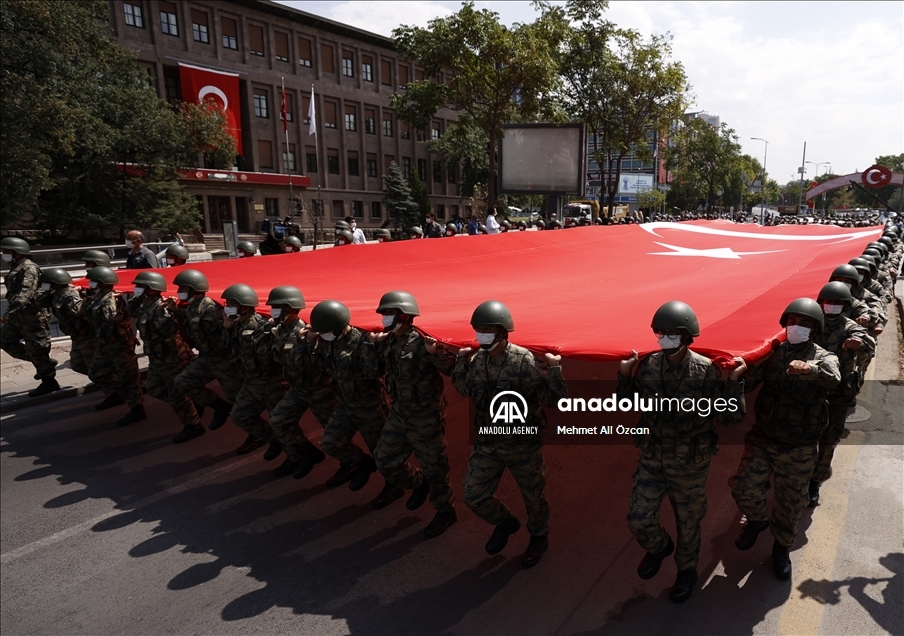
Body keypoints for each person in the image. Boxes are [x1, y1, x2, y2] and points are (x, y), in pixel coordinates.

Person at [618, 301, 747, 603]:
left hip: (690, 464)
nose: (664, 338)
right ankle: (659, 546)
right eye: (660, 333)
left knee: (688, 525)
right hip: (652, 460)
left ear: (687, 336)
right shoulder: (648, 366)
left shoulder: (705, 372)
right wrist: (625, 375)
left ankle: (686, 571)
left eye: (671, 333)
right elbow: (628, 405)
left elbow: (730, 418)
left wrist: (734, 387)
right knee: (639, 518)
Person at [729, 298, 840, 581]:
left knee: (790, 503)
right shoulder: (773, 354)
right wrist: (737, 375)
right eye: (792, 322)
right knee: (743, 487)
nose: (797, 327)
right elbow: (750, 380)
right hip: (764, 438)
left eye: (804, 323)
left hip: (799, 446)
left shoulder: (824, 356)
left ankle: (781, 548)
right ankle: (756, 521)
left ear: (815, 329)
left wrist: (810, 370)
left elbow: (833, 376)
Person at [452, 300, 567, 568]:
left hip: (522, 444)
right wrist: (459, 361)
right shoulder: (477, 361)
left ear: (503, 332)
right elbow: (463, 389)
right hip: (488, 442)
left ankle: (539, 536)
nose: (481, 335)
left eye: (487, 329)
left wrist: (555, 371)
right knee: (472, 493)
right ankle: (505, 522)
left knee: (534, 497)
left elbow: (555, 399)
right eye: (478, 329)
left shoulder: (524, 361)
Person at [363, 291, 458, 538]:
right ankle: (418, 482)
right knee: (384, 459)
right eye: (383, 313)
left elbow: (453, 370)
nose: (385, 318)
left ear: (405, 316)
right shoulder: (389, 341)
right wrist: (373, 346)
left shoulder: (423, 341)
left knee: (435, 468)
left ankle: (445, 511)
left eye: (389, 313)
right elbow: (373, 371)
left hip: (425, 416)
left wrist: (436, 352)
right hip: (399, 412)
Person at [307, 300, 390, 498]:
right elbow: (320, 368)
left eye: (327, 331)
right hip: (345, 405)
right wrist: (311, 345)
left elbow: (374, 371)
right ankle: (362, 463)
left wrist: (371, 347)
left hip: (370, 407)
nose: (323, 334)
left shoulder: (362, 341)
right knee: (330, 442)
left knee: (383, 454)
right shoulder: (327, 341)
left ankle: (394, 485)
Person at [809, 282, 871, 506]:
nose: (831, 305)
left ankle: (815, 481)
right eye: (828, 301)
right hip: (812, 387)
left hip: (838, 392)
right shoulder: (813, 323)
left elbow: (868, 342)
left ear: (845, 305)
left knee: (829, 438)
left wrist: (860, 343)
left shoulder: (849, 326)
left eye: (837, 302)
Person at [266, 286, 335, 478]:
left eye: (278, 307)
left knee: (334, 436)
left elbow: (317, 367)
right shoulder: (279, 330)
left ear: (292, 309)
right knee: (279, 421)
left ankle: (355, 463)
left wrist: (311, 344)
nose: (273, 310)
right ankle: (306, 454)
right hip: (297, 389)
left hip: (319, 391)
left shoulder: (307, 333)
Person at [130, 272, 204, 444]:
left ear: (151, 288)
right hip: (157, 357)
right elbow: (130, 310)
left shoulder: (162, 307)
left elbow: (168, 330)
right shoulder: (144, 304)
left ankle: (193, 425)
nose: (137, 288)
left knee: (176, 394)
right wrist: (136, 297)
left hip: (172, 357)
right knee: (155, 389)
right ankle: (191, 404)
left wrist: (168, 313)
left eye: (141, 286)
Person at [171, 270, 244, 432]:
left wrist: (227, 329)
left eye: (182, 289)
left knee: (239, 403)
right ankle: (219, 406)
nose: (179, 292)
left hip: (226, 361)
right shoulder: (192, 307)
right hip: (208, 359)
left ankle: (256, 435)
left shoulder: (211, 308)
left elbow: (232, 333)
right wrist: (174, 310)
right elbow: (190, 325)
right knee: (183, 381)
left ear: (194, 288)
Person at [221, 284, 287, 457]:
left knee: (282, 423)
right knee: (239, 415)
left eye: (231, 303)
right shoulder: (236, 325)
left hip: (273, 383)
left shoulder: (261, 326)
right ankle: (274, 440)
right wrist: (227, 328)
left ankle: (297, 455)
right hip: (252, 382)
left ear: (244, 306)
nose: (227, 307)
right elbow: (227, 349)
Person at [82, 266, 146, 426]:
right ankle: (120, 393)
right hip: (105, 344)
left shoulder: (111, 299)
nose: (90, 283)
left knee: (128, 378)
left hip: (119, 345)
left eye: (93, 281)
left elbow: (111, 318)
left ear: (102, 283)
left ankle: (137, 408)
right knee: (96, 373)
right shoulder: (98, 297)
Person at [1, 237, 59, 396]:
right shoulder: (17, 266)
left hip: (33, 316)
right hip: (19, 316)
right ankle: (44, 363)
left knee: (37, 347)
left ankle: (49, 381)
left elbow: (24, 295)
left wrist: (6, 315)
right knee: (4, 339)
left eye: (7, 251)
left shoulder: (29, 269)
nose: (3, 253)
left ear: (17, 252)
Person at [37, 268, 95, 377]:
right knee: (77, 365)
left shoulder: (70, 295)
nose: (44, 285)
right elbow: (39, 301)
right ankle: (110, 382)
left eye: (47, 283)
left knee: (94, 369)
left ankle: (116, 387)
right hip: (77, 336)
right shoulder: (56, 294)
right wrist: (46, 291)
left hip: (86, 337)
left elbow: (83, 314)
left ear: (56, 284)